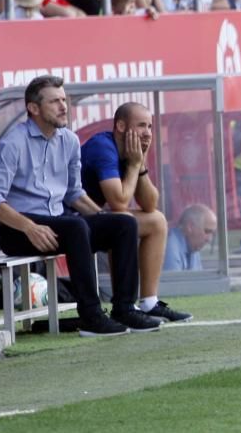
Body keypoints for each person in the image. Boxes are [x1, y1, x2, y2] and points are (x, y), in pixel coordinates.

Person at [0, 76, 162, 337]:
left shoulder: (70, 141)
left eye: (64, 100)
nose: (64, 106)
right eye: (55, 101)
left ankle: (124, 308)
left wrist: (101, 222)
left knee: (123, 223)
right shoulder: (12, 143)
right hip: (18, 230)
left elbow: (74, 193)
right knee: (76, 226)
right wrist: (29, 227)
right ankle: (91, 317)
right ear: (34, 108)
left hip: (58, 225)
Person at [80, 102, 193, 323]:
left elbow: (150, 203)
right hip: (72, 222)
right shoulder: (102, 147)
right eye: (141, 126)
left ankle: (149, 303)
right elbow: (119, 202)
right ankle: (125, 305)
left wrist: (139, 165)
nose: (148, 133)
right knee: (122, 222)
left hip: (95, 220)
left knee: (157, 221)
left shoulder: (130, 152)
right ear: (121, 126)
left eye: (150, 127)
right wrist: (133, 166)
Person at [162, 204, 217, 271]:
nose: (209, 239)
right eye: (207, 231)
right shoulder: (170, 248)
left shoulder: (193, 246)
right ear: (190, 227)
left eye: (212, 234)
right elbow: (173, 281)